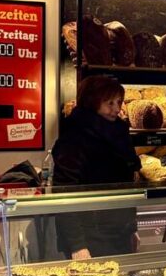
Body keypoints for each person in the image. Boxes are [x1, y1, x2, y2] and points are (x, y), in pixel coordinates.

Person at [53, 75, 142, 259]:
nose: (117, 109)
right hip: (88, 234)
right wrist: (77, 244)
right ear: (92, 102)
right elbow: (64, 192)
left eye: (119, 102)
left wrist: (131, 228)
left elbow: (125, 187)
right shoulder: (75, 136)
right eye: (110, 103)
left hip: (119, 230)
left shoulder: (118, 133)